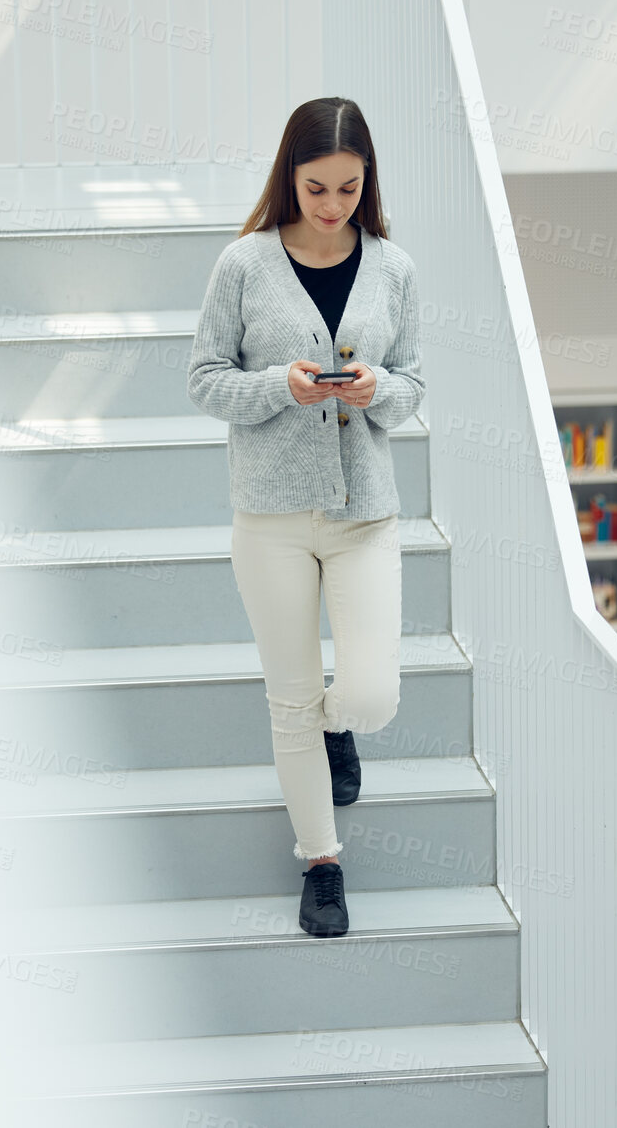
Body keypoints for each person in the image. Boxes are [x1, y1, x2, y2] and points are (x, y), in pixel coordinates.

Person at [185, 97, 426, 939]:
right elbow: (205, 377)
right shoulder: (243, 266)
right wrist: (275, 388)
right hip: (271, 518)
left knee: (370, 694)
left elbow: (414, 384)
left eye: (348, 189)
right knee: (288, 700)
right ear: (290, 177)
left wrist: (377, 390)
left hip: (364, 512)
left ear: (368, 183)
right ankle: (320, 862)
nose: (331, 206)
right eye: (316, 188)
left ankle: (340, 727)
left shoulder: (392, 267)